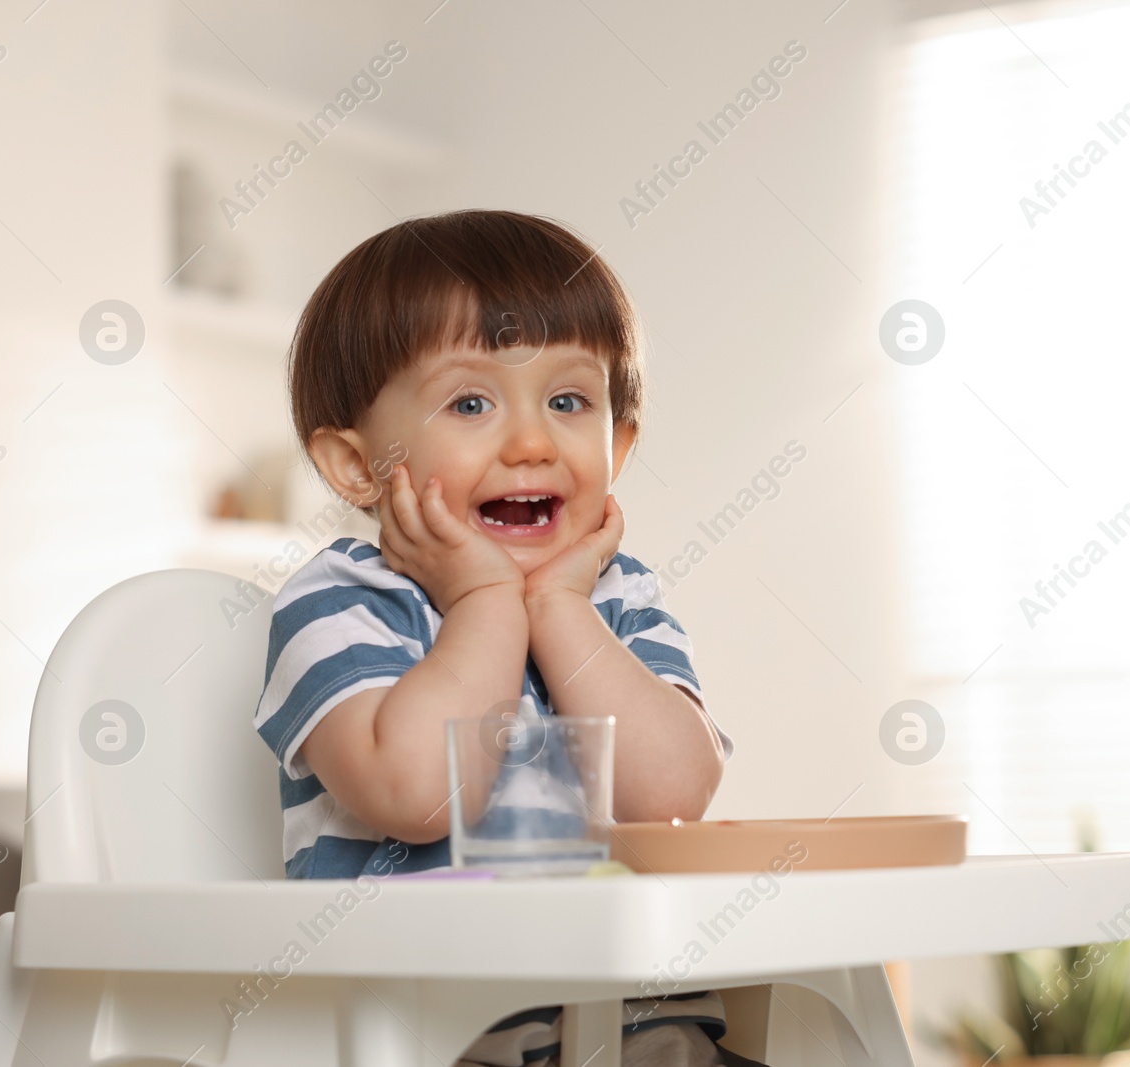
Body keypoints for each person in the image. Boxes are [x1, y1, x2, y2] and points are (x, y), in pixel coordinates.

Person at [252, 209, 758, 1066]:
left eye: (568, 400)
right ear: (356, 464)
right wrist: (487, 600)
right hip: (428, 1038)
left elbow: (672, 796)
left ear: (619, 446)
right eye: (471, 401)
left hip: (646, 1035)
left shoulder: (618, 600)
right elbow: (416, 796)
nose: (531, 441)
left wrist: (561, 611)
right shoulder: (341, 603)